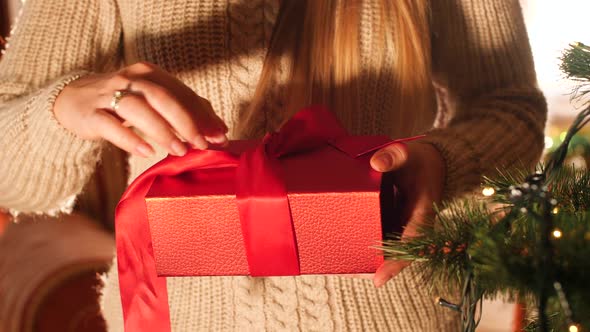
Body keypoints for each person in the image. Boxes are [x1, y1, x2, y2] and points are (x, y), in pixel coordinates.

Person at [0, 0, 546, 331]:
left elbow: (512, 109)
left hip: (391, 313)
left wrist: (442, 162)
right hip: (170, 316)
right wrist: (65, 107)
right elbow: (12, 177)